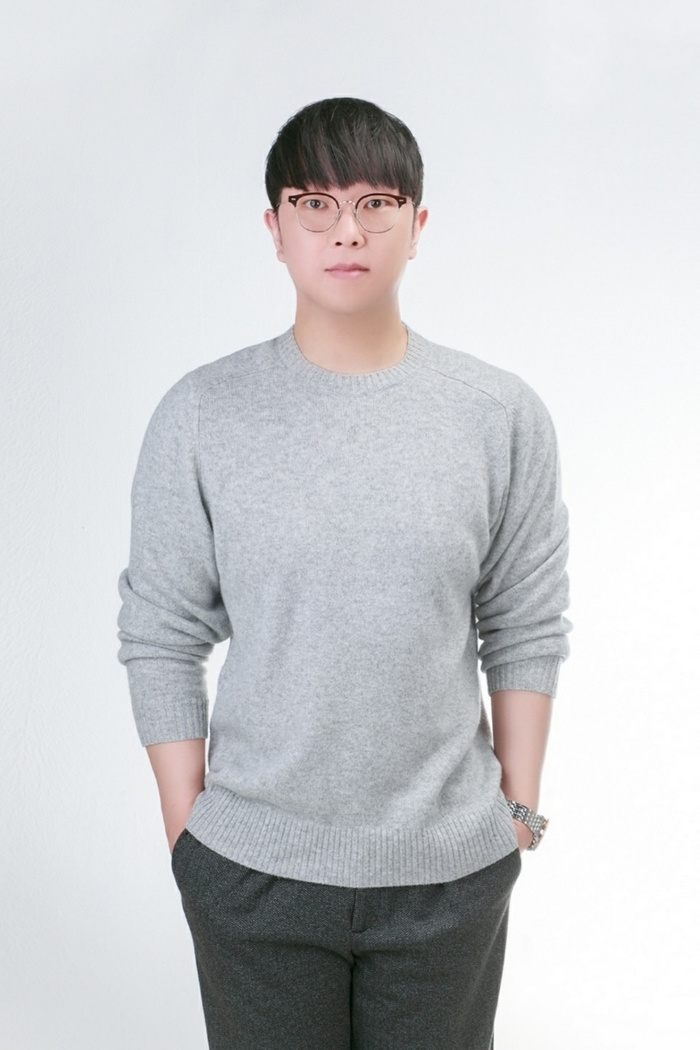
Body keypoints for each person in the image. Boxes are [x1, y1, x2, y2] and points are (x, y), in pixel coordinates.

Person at [117, 96, 572, 1050]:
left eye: (376, 203)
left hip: (449, 874)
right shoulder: (202, 414)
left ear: (418, 225)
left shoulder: (497, 414)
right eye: (315, 203)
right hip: (251, 873)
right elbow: (161, 630)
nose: (347, 230)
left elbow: (524, 620)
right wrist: (187, 831)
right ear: (275, 229)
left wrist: (518, 814)